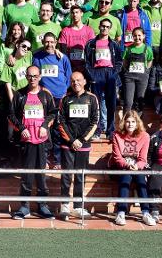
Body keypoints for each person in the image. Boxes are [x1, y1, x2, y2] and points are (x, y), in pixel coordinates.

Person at [9, 65, 56, 220]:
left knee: (41, 175)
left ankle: (43, 206)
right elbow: (11, 115)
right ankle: (24, 206)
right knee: (27, 175)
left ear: (40, 77)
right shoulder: (20, 95)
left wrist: (44, 125)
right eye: (30, 76)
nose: (32, 79)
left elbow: (53, 113)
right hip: (26, 141)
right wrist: (21, 128)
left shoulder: (46, 95)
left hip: (42, 142)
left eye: (35, 76)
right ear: (26, 77)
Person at [57, 71, 98, 220]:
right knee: (66, 175)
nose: (76, 83)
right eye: (73, 81)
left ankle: (79, 206)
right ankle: (64, 206)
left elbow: (95, 121)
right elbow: (61, 121)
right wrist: (72, 140)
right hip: (68, 145)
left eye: (79, 80)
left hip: (84, 144)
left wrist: (81, 139)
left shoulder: (92, 98)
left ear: (85, 81)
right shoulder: (65, 99)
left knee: (80, 176)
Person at [33, 32, 72, 167]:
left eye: (52, 42)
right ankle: (44, 159)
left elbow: (69, 77)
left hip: (60, 98)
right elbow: (35, 75)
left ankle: (57, 160)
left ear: (56, 42)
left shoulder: (63, 58)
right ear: (43, 42)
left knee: (57, 129)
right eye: (47, 42)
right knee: (44, 128)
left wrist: (64, 92)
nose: (49, 44)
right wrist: (43, 89)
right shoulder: (37, 57)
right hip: (45, 98)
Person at [109, 111, 150, 226]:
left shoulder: (145, 136)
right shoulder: (116, 135)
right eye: (127, 121)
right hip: (120, 166)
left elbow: (143, 159)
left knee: (141, 178)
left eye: (133, 121)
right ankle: (121, 212)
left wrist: (137, 166)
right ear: (123, 123)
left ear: (137, 123)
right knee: (126, 176)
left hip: (137, 166)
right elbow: (117, 158)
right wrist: (128, 165)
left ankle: (146, 212)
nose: (130, 124)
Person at [84, 18, 122, 138]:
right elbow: (86, 62)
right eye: (103, 26)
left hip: (110, 73)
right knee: (97, 103)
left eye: (107, 27)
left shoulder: (114, 44)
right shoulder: (90, 44)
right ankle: (97, 130)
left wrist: (114, 73)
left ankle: (110, 130)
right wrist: (91, 75)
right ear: (99, 27)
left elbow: (119, 61)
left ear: (110, 29)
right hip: (96, 73)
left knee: (111, 103)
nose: (104, 28)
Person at [121, 27, 153, 117]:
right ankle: (125, 122)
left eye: (139, 35)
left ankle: (138, 124)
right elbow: (125, 63)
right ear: (132, 37)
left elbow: (150, 61)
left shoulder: (148, 49)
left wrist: (146, 71)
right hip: (130, 77)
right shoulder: (128, 49)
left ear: (143, 36)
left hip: (142, 78)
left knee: (139, 101)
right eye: (135, 35)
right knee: (128, 101)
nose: (137, 37)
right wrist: (128, 72)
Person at [58, 5, 96, 73]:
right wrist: (68, 65)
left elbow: (92, 50)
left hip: (86, 66)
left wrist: (86, 65)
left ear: (81, 13)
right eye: (72, 13)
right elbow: (63, 51)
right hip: (70, 66)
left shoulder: (89, 30)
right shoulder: (65, 31)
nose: (74, 14)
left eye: (77, 12)